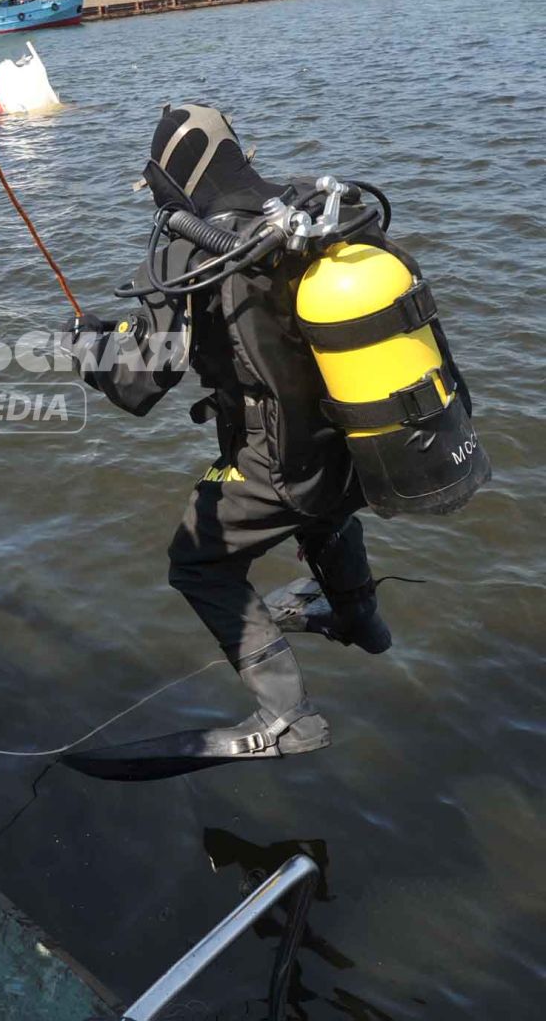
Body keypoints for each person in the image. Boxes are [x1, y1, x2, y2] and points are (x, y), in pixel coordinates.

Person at [58, 104, 398, 782]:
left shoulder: (188, 246)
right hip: (357, 443)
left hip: (278, 464)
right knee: (321, 513)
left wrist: (86, 347)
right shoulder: (306, 210)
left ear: (173, 178)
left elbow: (138, 386)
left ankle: (287, 718)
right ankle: (361, 620)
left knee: (197, 560)